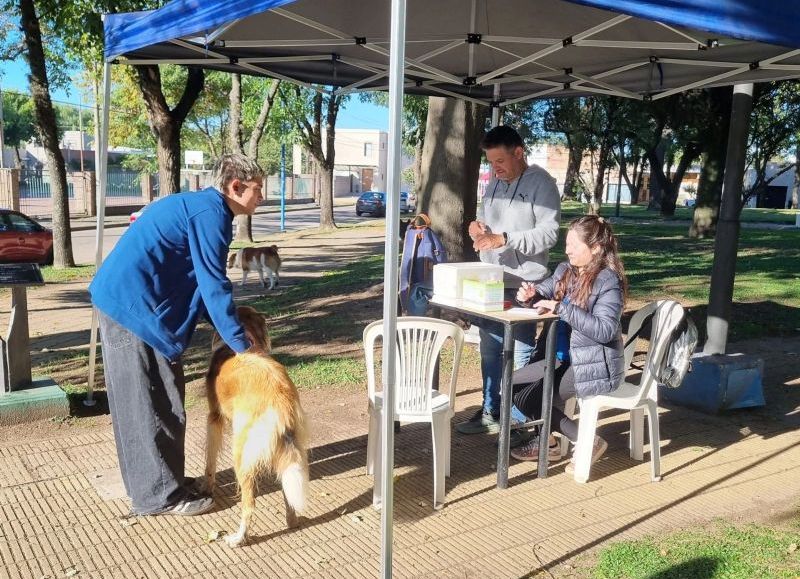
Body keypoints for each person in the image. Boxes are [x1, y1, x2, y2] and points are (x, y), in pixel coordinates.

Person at [89, 154, 264, 517]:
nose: (262, 196)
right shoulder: (211, 214)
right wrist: (245, 351)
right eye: (258, 188)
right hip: (133, 310)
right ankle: (159, 496)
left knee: (162, 397)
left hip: (132, 306)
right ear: (235, 186)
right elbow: (214, 287)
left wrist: (228, 329)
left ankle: (163, 483)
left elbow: (200, 283)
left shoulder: (206, 208)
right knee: (149, 402)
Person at [456, 125, 561, 436]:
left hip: (525, 284)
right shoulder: (495, 184)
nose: (495, 168)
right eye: (490, 162)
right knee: (489, 347)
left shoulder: (541, 184)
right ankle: (492, 409)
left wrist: (505, 238)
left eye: (500, 160)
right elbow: (488, 222)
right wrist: (478, 228)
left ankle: (517, 418)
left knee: (519, 350)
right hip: (491, 279)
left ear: (519, 153)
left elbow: (549, 233)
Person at [507, 215, 627, 470]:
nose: (567, 249)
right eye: (567, 243)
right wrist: (531, 295)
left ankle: (584, 441)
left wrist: (563, 308)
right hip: (558, 356)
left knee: (533, 398)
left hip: (592, 364)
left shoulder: (608, 281)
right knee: (511, 384)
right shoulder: (566, 271)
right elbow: (545, 291)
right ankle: (550, 443)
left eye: (574, 244)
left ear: (595, 248)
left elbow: (605, 330)